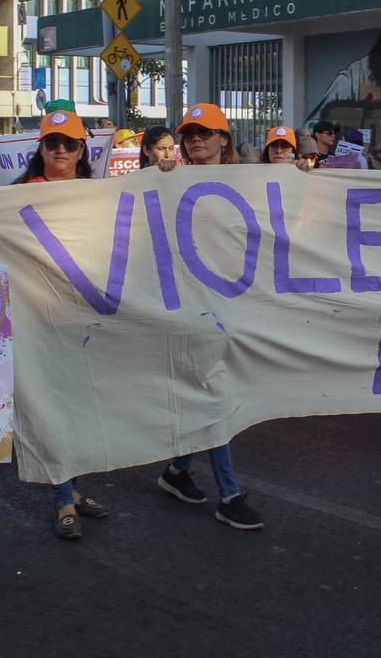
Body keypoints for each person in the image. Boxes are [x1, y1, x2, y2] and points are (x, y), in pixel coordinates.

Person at [0, 110, 111, 538]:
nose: (61, 150)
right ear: (40, 149)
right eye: (53, 143)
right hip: (38, 316)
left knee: (82, 408)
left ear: (83, 149)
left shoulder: (100, 194)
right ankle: (63, 497)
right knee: (53, 406)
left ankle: (73, 487)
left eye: (69, 143)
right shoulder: (14, 197)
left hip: (86, 316)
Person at [154, 102, 264, 530]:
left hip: (230, 307)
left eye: (205, 132)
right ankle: (230, 494)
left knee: (210, 391)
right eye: (189, 134)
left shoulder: (251, 183)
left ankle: (178, 471)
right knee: (214, 394)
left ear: (224, 139)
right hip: (186, 308)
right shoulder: (166, 182)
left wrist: (301, 182)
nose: (195, 139)